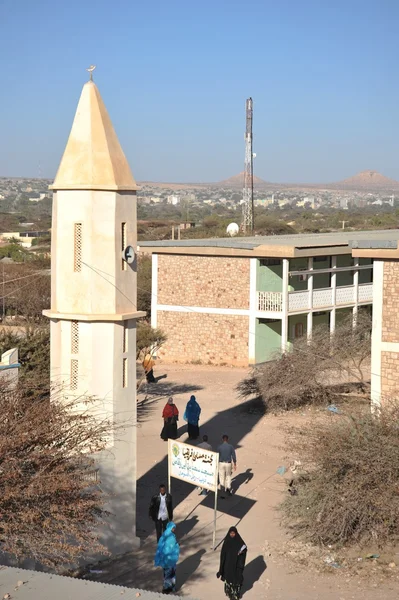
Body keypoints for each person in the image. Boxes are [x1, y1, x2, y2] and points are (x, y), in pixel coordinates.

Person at [217, 526, 247, 600]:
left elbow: (245, 548)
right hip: (228, 565)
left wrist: (241, 551)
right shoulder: (227, 541)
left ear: (236, 533)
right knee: (229, 579)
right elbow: (223, 554)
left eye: (233, 533)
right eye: (231, 533)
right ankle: (230, 593)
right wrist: (221, 569)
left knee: (237, 579)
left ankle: (236, 594)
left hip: (237, 565)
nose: (232, 535)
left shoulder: (239, 540)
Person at [154, 521, 180, 595]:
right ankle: (167, 588)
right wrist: (177, 545)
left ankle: (168, 587)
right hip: (170, 558)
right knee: (169, 573)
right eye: (173, 528)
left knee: (167, 573)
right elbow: (171, 547)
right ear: (170, 528)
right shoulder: (171, 536)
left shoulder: (164, 535)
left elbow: (161, 546)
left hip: (165, 558)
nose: (174, 529)